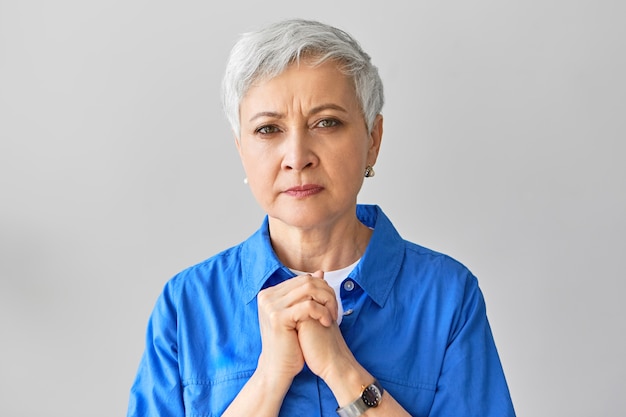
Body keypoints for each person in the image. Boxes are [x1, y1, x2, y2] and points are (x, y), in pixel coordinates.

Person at [127, 18, 516, 417]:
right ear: (241, 148)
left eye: (326, 122)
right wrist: (269, 378)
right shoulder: (186, 306)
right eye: (268, 129)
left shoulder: (448, 298)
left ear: (373, 141)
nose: (298, 157)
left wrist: (340, 368)